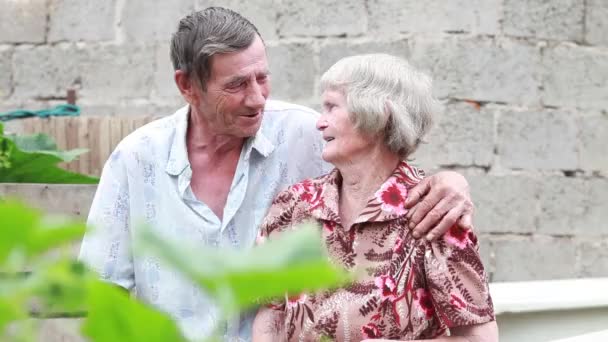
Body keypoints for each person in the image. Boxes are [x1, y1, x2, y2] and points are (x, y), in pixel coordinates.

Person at [79, 7, 477, 341]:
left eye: (262, 77)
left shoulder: (305, 136)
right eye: (236, 85)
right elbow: (101, 288)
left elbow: (385, 171)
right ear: (187, 85)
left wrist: (450, 181)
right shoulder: (135, 159)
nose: (256, 98)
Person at [252, 54, 497, 341]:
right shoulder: (293, 205)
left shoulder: (434, 213)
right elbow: (271, 312)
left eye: (332, 107)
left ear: (378, 115)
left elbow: (478, 337)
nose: (319, 123)